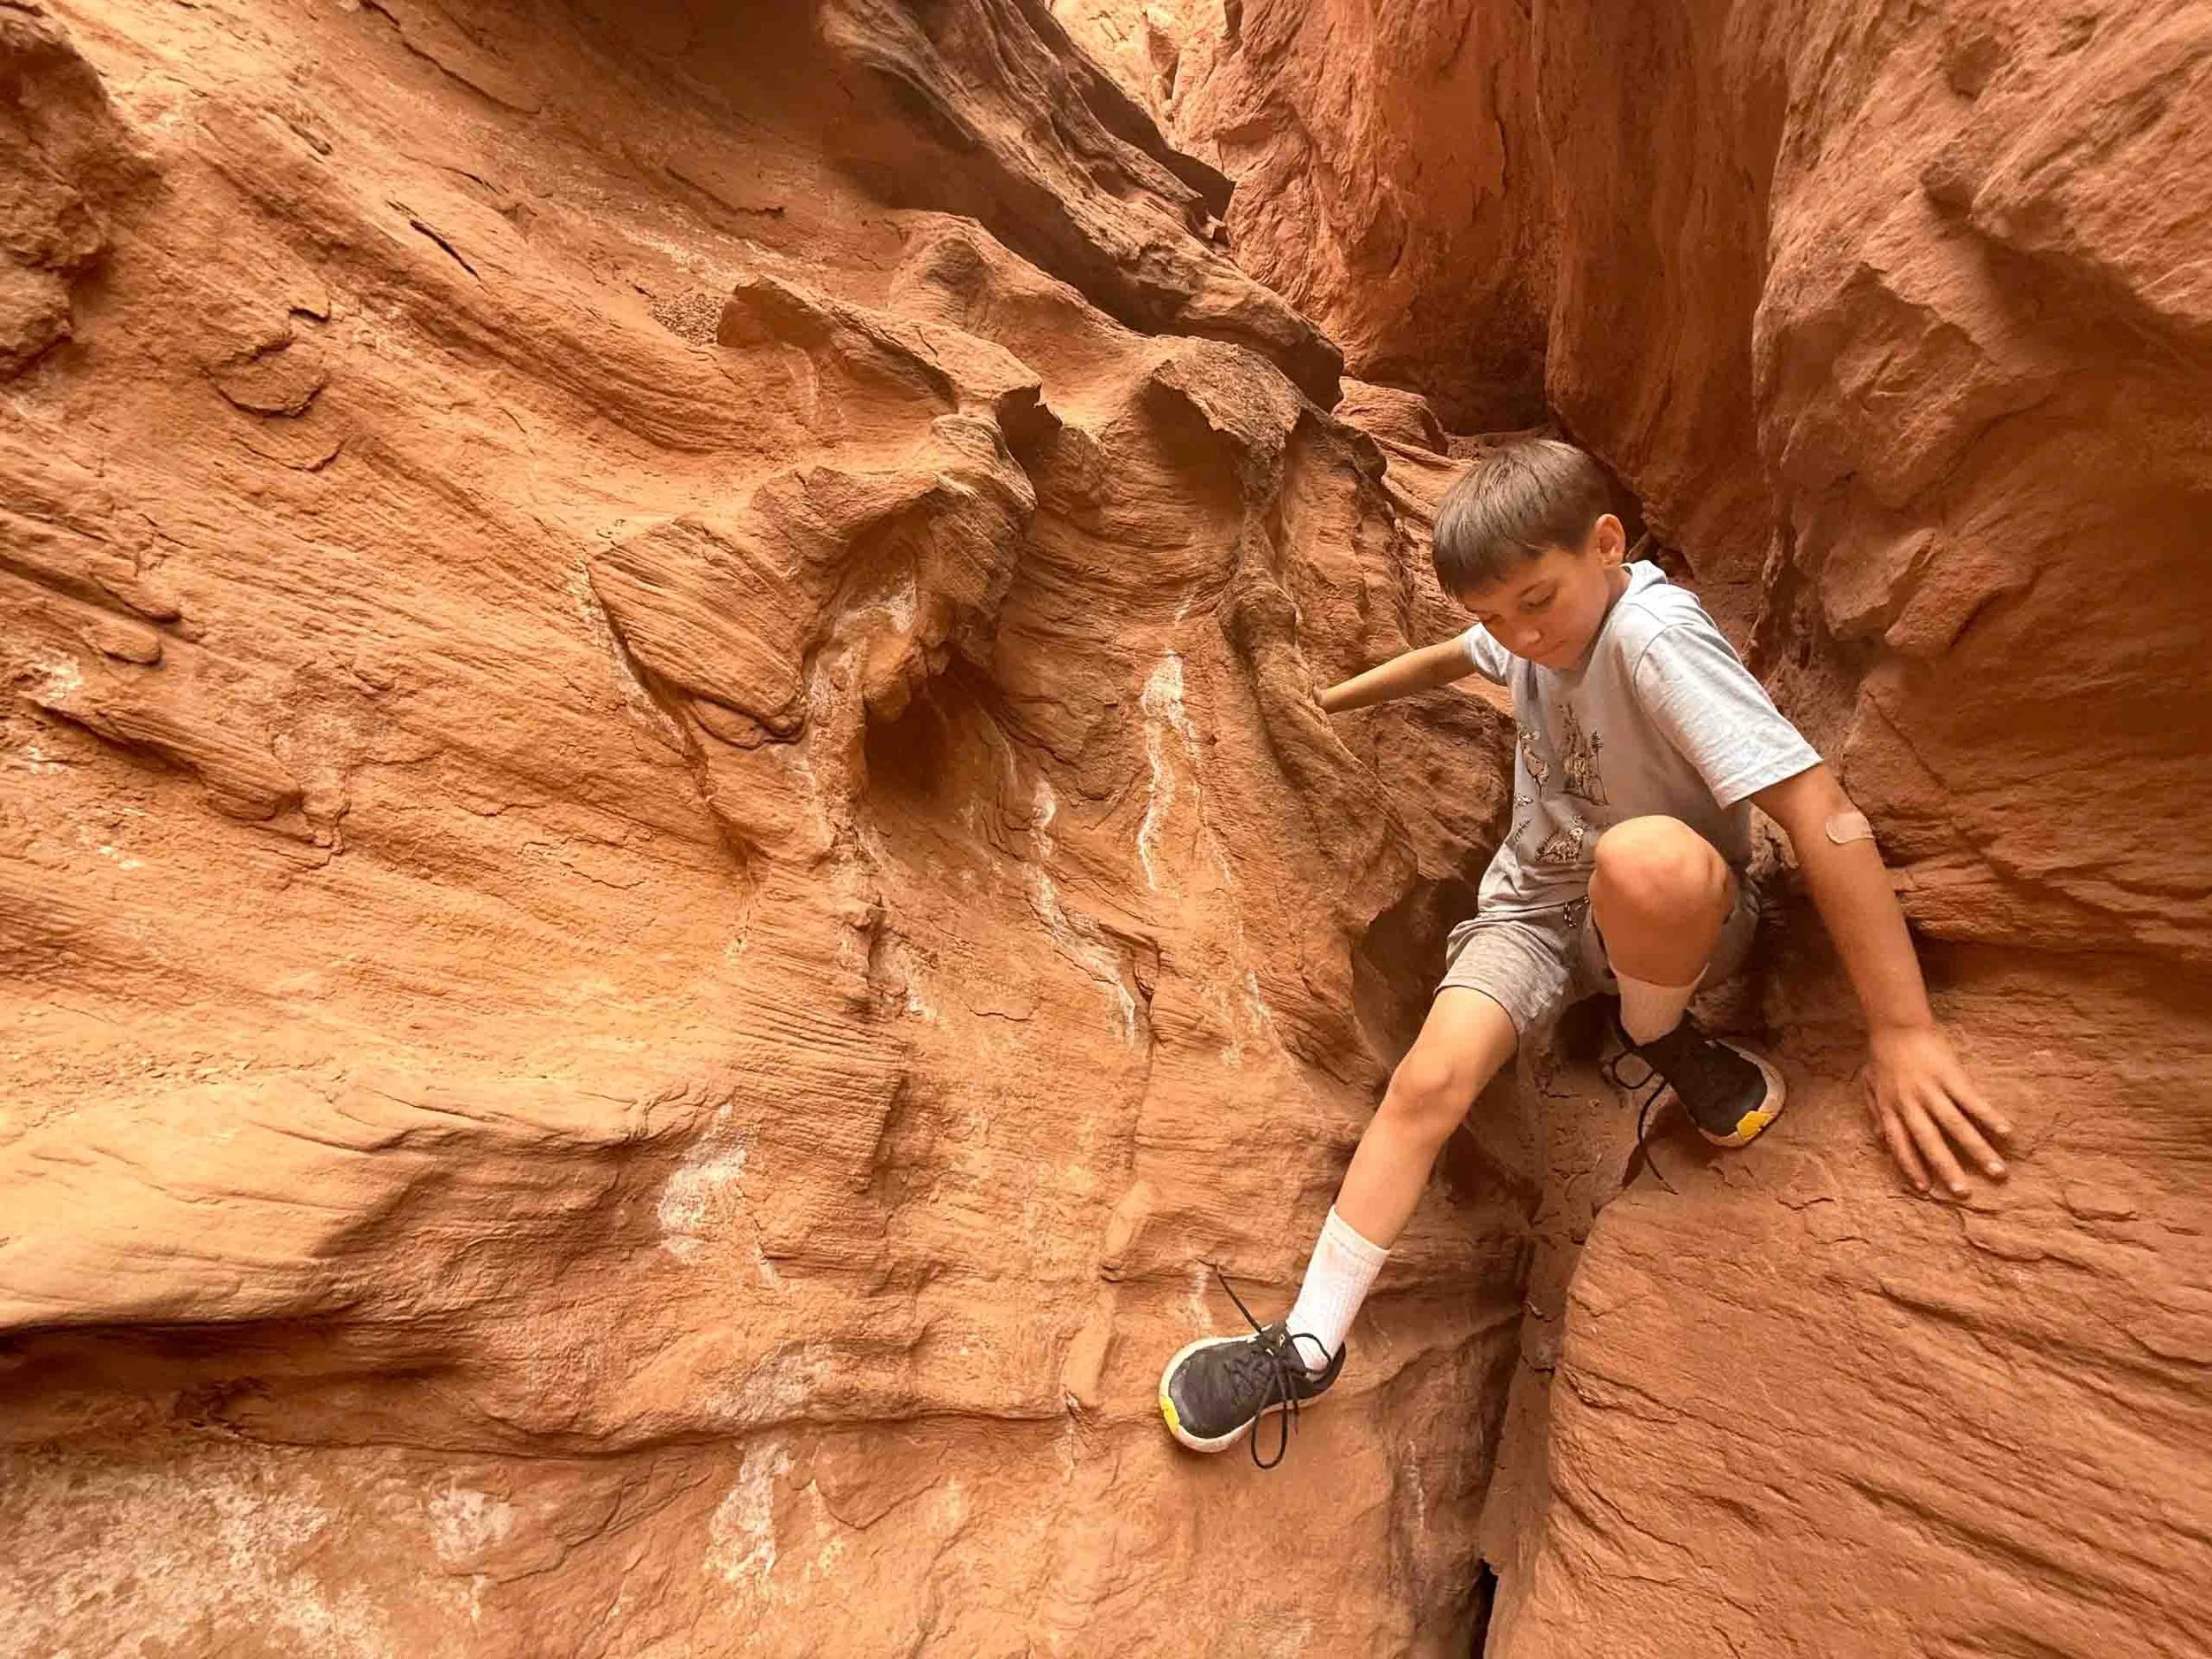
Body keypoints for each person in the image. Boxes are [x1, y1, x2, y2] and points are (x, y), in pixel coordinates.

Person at [1157, 437, 2011, 1465]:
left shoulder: (1652, 639)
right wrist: (1334, 701)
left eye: (1536, 601)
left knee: (1642, 854)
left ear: (1607, 544)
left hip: (1668, 918)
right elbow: (1453, 656)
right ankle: (1305, 1343)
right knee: (1428, 1079)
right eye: (1495, 615)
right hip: (1533, 910)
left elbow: (1818, 808)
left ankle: (1658, 1038)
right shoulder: (1529, 634)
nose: (1523, 635)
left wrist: (1903, 1030)